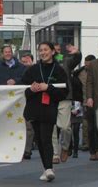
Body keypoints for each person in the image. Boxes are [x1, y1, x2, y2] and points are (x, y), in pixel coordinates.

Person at [22, 41, 68, 182]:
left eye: (46, 49)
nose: (43, 52)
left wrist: (47, 88)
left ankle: (48, 168)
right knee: (40, 140)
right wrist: (32, 89)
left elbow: (64, 93)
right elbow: (22, 89)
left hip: (49, 108)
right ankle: (47, 168)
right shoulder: (32, 69)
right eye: (40, 50)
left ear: (52, 51)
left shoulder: (59, 70)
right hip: (34, 108)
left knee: (46, 138)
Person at [52, 44, 82, 164]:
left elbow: (75, 60)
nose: (57, 53)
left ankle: (64, 147)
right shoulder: (43, 64)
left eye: (59, 50)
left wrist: (77, 53)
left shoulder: (65, 61)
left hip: (64, 97)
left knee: (65, 127)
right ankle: (54, 153)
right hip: (50, 98)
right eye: (55, 50)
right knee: (52, 128)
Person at [74, 54, 98, 160]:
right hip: (86, 103)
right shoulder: (81, 73)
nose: (87, 67)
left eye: (88, 65)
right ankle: (92, 150)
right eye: (85, 64)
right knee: (90, 127)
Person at [20, 52, 35, 160]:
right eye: (23, 62)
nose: (24, 64)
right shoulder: (18, 69)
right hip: (18, 100)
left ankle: (27, 150)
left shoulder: (35, 69)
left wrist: (31, 67)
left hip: (31, 101)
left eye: (27, 61)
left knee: (29, 127)